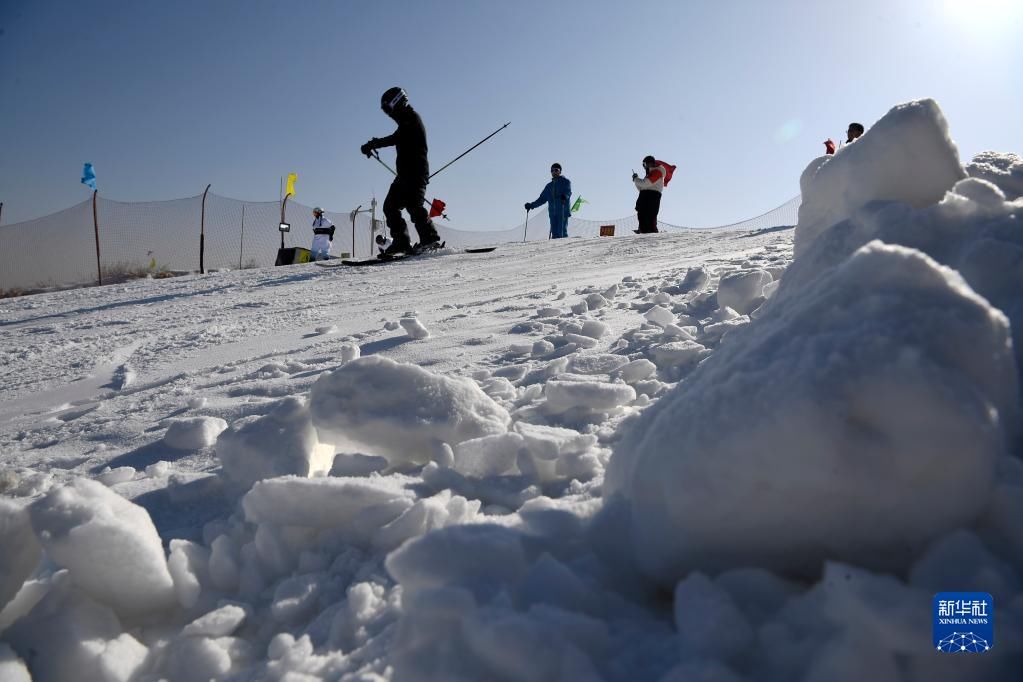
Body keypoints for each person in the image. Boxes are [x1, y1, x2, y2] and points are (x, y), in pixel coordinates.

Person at [360, 87, 442, 258]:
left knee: (414, 206)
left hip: (416, 173)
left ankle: (430, 239)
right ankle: (401, 242)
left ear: (397, 103)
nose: (388, 114)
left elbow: (394, 138)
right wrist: (372, 144)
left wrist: (373, 144)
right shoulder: (405, 121)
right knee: (390, 207)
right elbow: (395, 137)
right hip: (404, 175)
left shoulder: (411, 120)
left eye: (388, 110)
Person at [524, 163, 572, 239]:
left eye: (556, 170)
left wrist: (565, 196)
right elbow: (542, 199)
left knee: (561, 232)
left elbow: (568, 191)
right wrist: (531, 205)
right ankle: (555, 249)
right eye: (552, 170)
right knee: (555, 233)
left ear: (560, 171)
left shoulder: (565, 182)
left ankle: (564, 248)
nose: (554, 172)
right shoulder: (549, 186)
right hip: (553, 212)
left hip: (562, 210)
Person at [632, 156, 675, 233]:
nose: (645, 167)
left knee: (650, 216)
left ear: (650, 163)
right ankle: (643, 231)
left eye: (645, 164)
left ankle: (651, 233)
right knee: (641, 215)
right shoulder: (650, 174)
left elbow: (645, 184)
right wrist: (636, 180)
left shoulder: (657, 172)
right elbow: (642, 188)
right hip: (645, 196)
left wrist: (636, 179)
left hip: (652, 196)